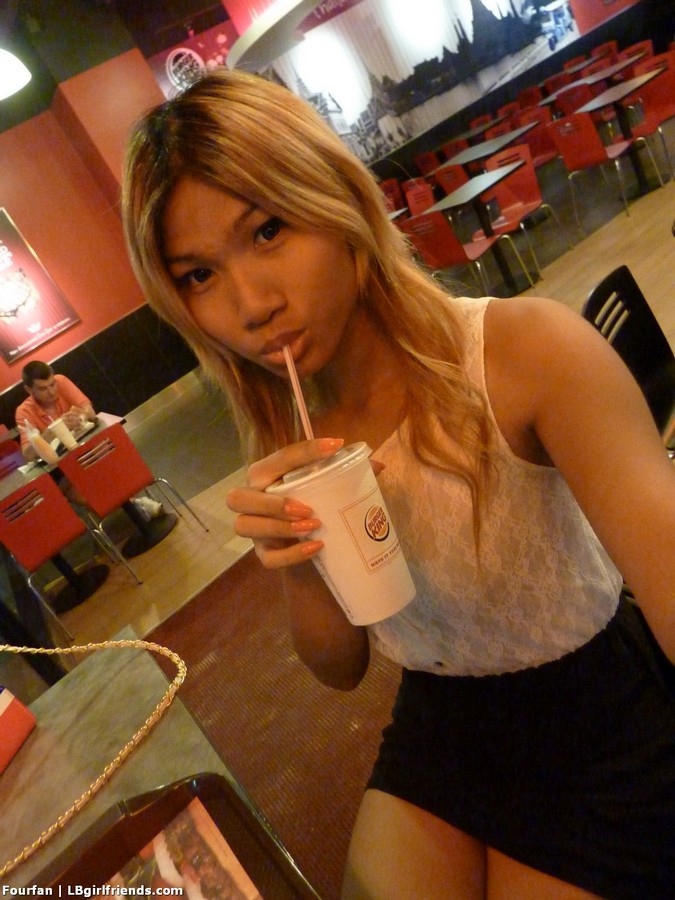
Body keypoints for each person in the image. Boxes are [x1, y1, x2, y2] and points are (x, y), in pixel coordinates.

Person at [121, 69, 675, 899]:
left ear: (336, 200)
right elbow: (340, 668)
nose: (251, 304)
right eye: (198, 275)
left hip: (592, 718)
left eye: (267, 230)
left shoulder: (527, 353)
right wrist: (296, 562)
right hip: (440, 721)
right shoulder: (291, 432)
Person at [15, 360, 96, 462]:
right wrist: (55, 430)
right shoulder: (24, 411)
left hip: (89, 445)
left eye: (52, 384)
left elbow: (91, 413)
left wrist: (81, 418)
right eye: (43, 389)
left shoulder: (60, 381)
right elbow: (28, 455)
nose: (51, 392)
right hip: (62, 462)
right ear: (29, 390)